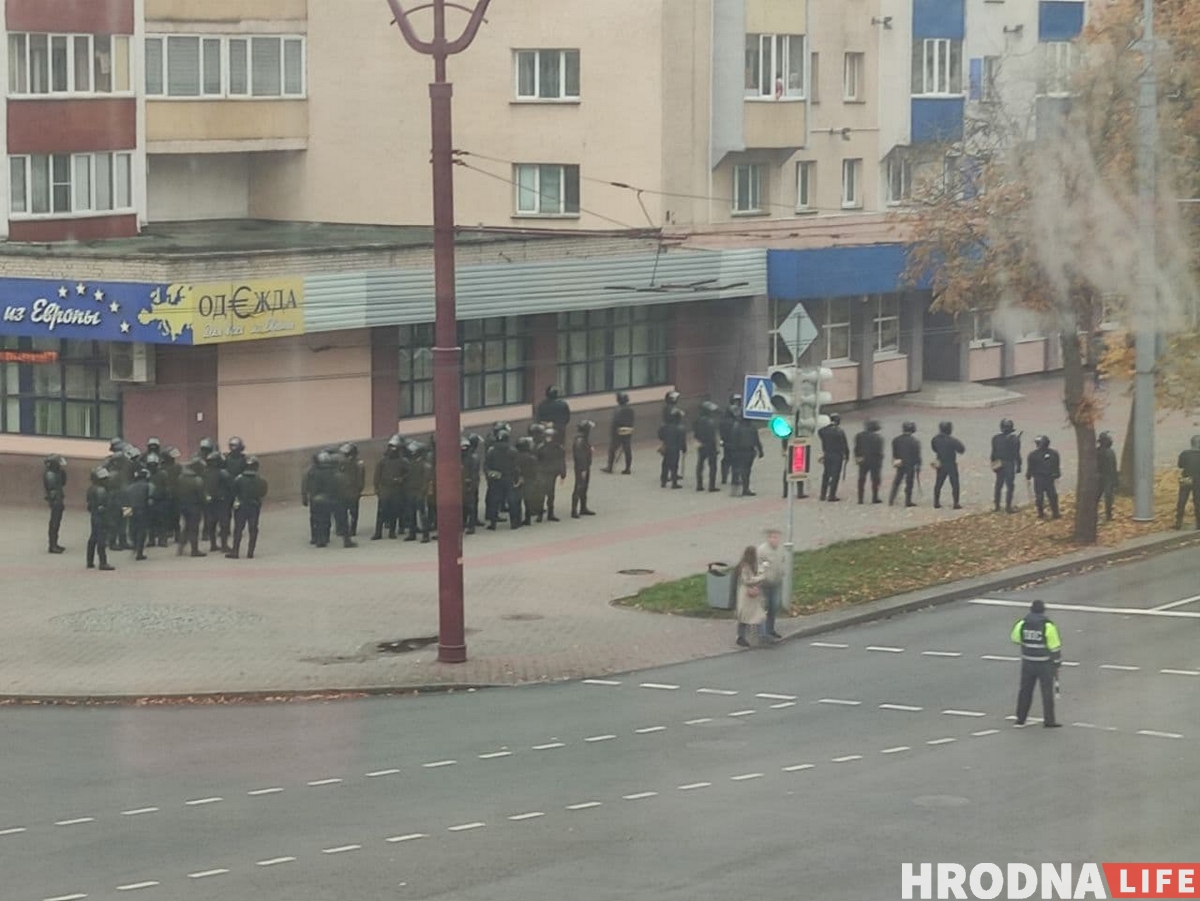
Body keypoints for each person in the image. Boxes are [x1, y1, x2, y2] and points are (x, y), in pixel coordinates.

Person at [1010, 600, 1062, 728]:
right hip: (1044, 664)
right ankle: (1049, 720)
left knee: (1025, 691)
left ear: (1031, 610)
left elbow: (1015, 638)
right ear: (1043, 610)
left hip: (1028, 662)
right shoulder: (1048, 626)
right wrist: (1057, 662)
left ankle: (1020, 718)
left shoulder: (1022, 623)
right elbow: (1054, 646)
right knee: (1046, 692)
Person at [226, 456, 268, 559]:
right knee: (253, 529)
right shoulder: (261, 480)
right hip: (254, 506)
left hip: (241, 507)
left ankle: (235, 551)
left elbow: (233, 491)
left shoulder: (239, 479)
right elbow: (263, 493)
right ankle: (250, 552)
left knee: (238, 529)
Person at [372, 435, 406, 540]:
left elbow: (408, 473)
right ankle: (378, 532)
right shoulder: (382, 461)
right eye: (391, 447)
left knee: (394, 512)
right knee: (381, 512)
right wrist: (377, 489)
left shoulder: (402, 461)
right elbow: (377, 476)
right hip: (385, 489)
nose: (393, 450)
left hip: (396, 490)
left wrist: (401, 479)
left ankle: (392, 532)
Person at [484, 429, 517, 530]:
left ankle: (493, 523)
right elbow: (516, 466)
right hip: (509, 478)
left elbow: (486, 466)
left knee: (494, 501)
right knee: (512, 500)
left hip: (496, 479)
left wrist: (490, 474)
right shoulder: (512, 451)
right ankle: (514, 523)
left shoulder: (491, 450)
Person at [756, 528, 786, 640]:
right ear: (768, 538)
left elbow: (782, 562)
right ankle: (762, 633)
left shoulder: (780, 549)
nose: (775, 540)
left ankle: (770, 629)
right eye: (772, 537)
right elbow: (758, 566)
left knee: (773, 607)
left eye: (777, 537)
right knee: (764, 608)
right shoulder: (762, 550)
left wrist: (782, 573)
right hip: (764, 584)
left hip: (776, 583)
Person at [734, 545, 765, 648]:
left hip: (748, 594)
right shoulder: (745, 567)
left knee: (752, 615)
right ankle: (742, 637)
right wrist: (759, 578)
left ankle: (758, 635)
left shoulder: (749, 565)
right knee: (746, 617)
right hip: (746, 595)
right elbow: (747, 580)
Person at [176, 457, 207, 557]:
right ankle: (194, 550)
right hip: (195, 507)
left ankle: (181, 546)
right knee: (194, 528)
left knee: (186, 527)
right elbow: (201, 496)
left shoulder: (181, 477)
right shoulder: (198, 480)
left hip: (183, 506)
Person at [85, 467, 116, 571]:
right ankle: (103, 562)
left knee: (93, 538)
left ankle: (89, 561)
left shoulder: (91, 488)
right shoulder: (101, 490)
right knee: (101, 540)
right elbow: (103, 506)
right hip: (101, 517)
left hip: (94, 516)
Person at [930, 421, 965, 509]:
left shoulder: (935, 439)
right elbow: (961, 449)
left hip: (940, 463)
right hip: (951, 463)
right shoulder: (952, 440)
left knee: (938, 483)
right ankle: (956, 503)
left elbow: (934, 448)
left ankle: (936, 502)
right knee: (954, 483)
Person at [991, 418, 1022, 513]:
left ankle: (997, 506)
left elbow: (993, 453)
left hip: (999, 462)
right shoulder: (1014, 440)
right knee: (1010, 486)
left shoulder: (995, 438)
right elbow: (1017, 454)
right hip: (1009, 463)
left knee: (998, 484)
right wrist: (1019, 465)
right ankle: (1008, 507)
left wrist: (993, 464)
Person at [1026, 436, 1061, 520]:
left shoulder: (1033, 454)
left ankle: (1041, 513)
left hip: (1039, 478)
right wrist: (1057, 474)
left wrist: (1028, 476)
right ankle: (1055, 513)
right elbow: (1056, 466)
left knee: (1039, 496)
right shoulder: (1054, 453)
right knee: (1052, 495)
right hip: (1049, 478)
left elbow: (1030, 467)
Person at [817, 413, 850, 501]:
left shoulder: (823, 430)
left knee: (826, 474)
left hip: (827, 454)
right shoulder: (839, 431)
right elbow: (844, 445)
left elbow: (819, 433)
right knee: (835, 475)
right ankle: (831, 495)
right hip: (837, 455)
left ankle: (823, 494)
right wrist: (847, 455)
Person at [125, 466, 155, 561]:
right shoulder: (149, 486)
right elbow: (151, 501)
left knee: (132, 529)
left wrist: (126, 515)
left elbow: (125, 502)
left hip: (130, 510)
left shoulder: (129, 487)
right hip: (142, 510)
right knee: (142, 531)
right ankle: (139, 552)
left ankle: (134, 545)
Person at [888, 421, 921, 507]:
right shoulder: (914, 441)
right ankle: (908, 501)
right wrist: (918, 465)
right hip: (910, 464)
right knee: (909, 483)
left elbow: (894, 452)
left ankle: (891, 499)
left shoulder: (896, 440)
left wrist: (896, 460)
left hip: (900, 463)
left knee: (897, 481)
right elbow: (917, 455)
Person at [731, 416, 764, 496]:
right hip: (750, 451)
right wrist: (760, 451)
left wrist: (733, 451)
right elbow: (757, 440)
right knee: (747, 470)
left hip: (740, 451)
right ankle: (745, 488)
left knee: (741, 469)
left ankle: (740, 488)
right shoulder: (752, 427)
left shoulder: (737, 428)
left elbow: (734, 440)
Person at [538, 427, 567, 521]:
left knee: (551, 494)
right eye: (547, 437)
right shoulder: (541, 447)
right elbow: (537, 461)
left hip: (552, 473)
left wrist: (563, 474)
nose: (548, 439)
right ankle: (540, 514)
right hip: (543, 473)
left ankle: (550, 513)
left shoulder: (558, 448)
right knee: (541, 493)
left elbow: (562, 461)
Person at [603, 391, 635, 474]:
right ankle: (628, 468)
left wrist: (612, 432)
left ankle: (610, 467)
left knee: (612, 449)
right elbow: (632, 421)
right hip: (628, 431)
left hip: (618, 432)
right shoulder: (630, 409)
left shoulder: (618, 409)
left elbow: (615, 422)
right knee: (627, 450)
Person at [854, 419, 884, 505]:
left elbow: (856, 448)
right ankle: (875, 497)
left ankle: (860, 498)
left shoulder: (859, 436)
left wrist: (857, 458)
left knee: (861, 479)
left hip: (862, 460)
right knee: (875, 480)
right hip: (874, 461)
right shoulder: (878, 438)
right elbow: (879, 452)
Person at [693, 400, 721, 492]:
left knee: (700, 464)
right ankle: (711, 486)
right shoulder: (711, 422)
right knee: (712, 466)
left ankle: (699, 484)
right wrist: (717, 447)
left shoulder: (697, 420)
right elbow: (713, 435)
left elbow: (695, 434)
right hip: (710, 445)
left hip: (701, 444)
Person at [571, 420, 596, 518]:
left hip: (585, 466)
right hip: (581, 468)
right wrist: (583, 469)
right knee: (579, 487)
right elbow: (580, 456)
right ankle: (574, 510)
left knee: (584, 487)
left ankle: (583, 507)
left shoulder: (583, 439)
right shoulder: (580, 440)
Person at [658, 407, 687, 489]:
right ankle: (674, 482)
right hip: (675, 449)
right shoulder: (680, 428)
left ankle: (663, 481)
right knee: (674, 465)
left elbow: (660, 436)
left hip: (666, 447)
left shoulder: (665, 426)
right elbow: (682, 440)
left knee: (665, 464)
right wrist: (684, 448)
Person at [1174, 435, 1200, 530]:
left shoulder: (1184, 453)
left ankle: (1178, 522)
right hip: (1198, 480)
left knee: (1182, 500)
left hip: (1186, 478)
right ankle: (1199, 523)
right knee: (1198, 501)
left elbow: (1180, 465)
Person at [43, 454, 67, 554]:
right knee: (54, 523)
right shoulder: (50, 475)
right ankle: (52, 545)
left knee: (56, 522)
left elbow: (63, 482)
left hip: (58, 499)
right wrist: (56, 501)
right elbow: (53, 490)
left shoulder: (56, 473)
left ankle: (55, 544)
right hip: (56, 501)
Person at [1096, 432, 1118, 522]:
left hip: (1107, 477)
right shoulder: (1099, 452)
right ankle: (1105, 515)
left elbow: (1113, 466)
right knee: (1099, 496)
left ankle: (1108, 515)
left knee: (1108, 497)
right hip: (1102, 477)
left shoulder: (1110, 452)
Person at [719, 396, 741, 486]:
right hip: (733, 443)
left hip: (726, 442)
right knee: (735, 461)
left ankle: (724, 478)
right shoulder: (735, 421)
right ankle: (734, 479)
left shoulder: (724, 419)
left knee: (726, 460)